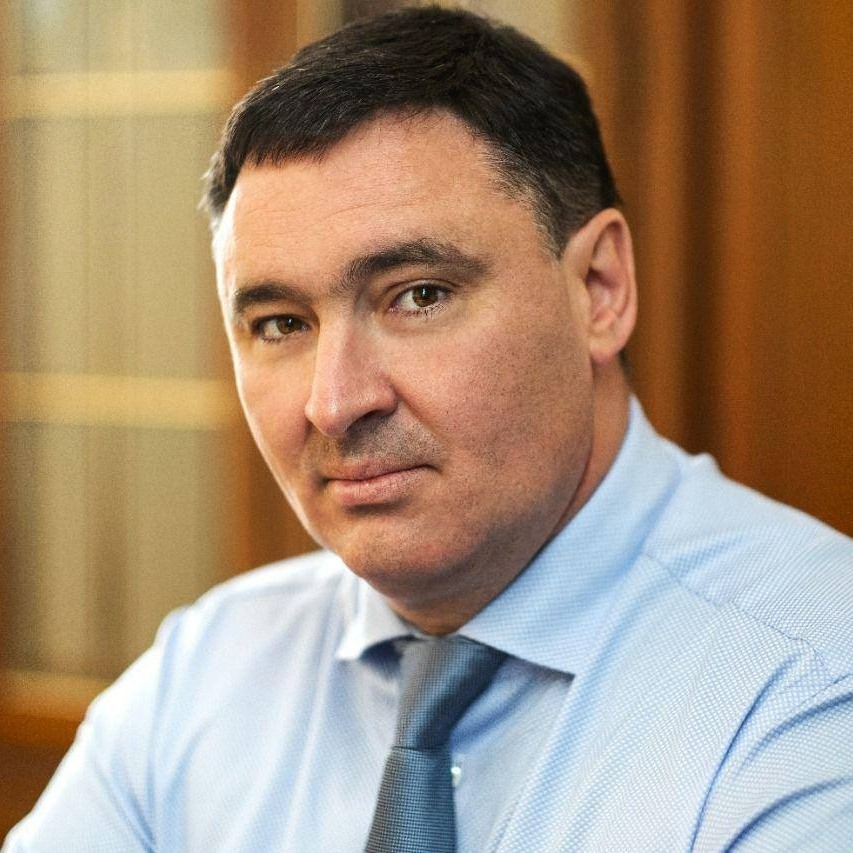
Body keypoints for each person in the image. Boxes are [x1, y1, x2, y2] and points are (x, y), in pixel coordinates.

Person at [5, 6, 852, 851]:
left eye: (418, 295)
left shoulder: (811, 683)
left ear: (599, 288)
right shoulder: (201, 677)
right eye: (280, 323)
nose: (335, 402)